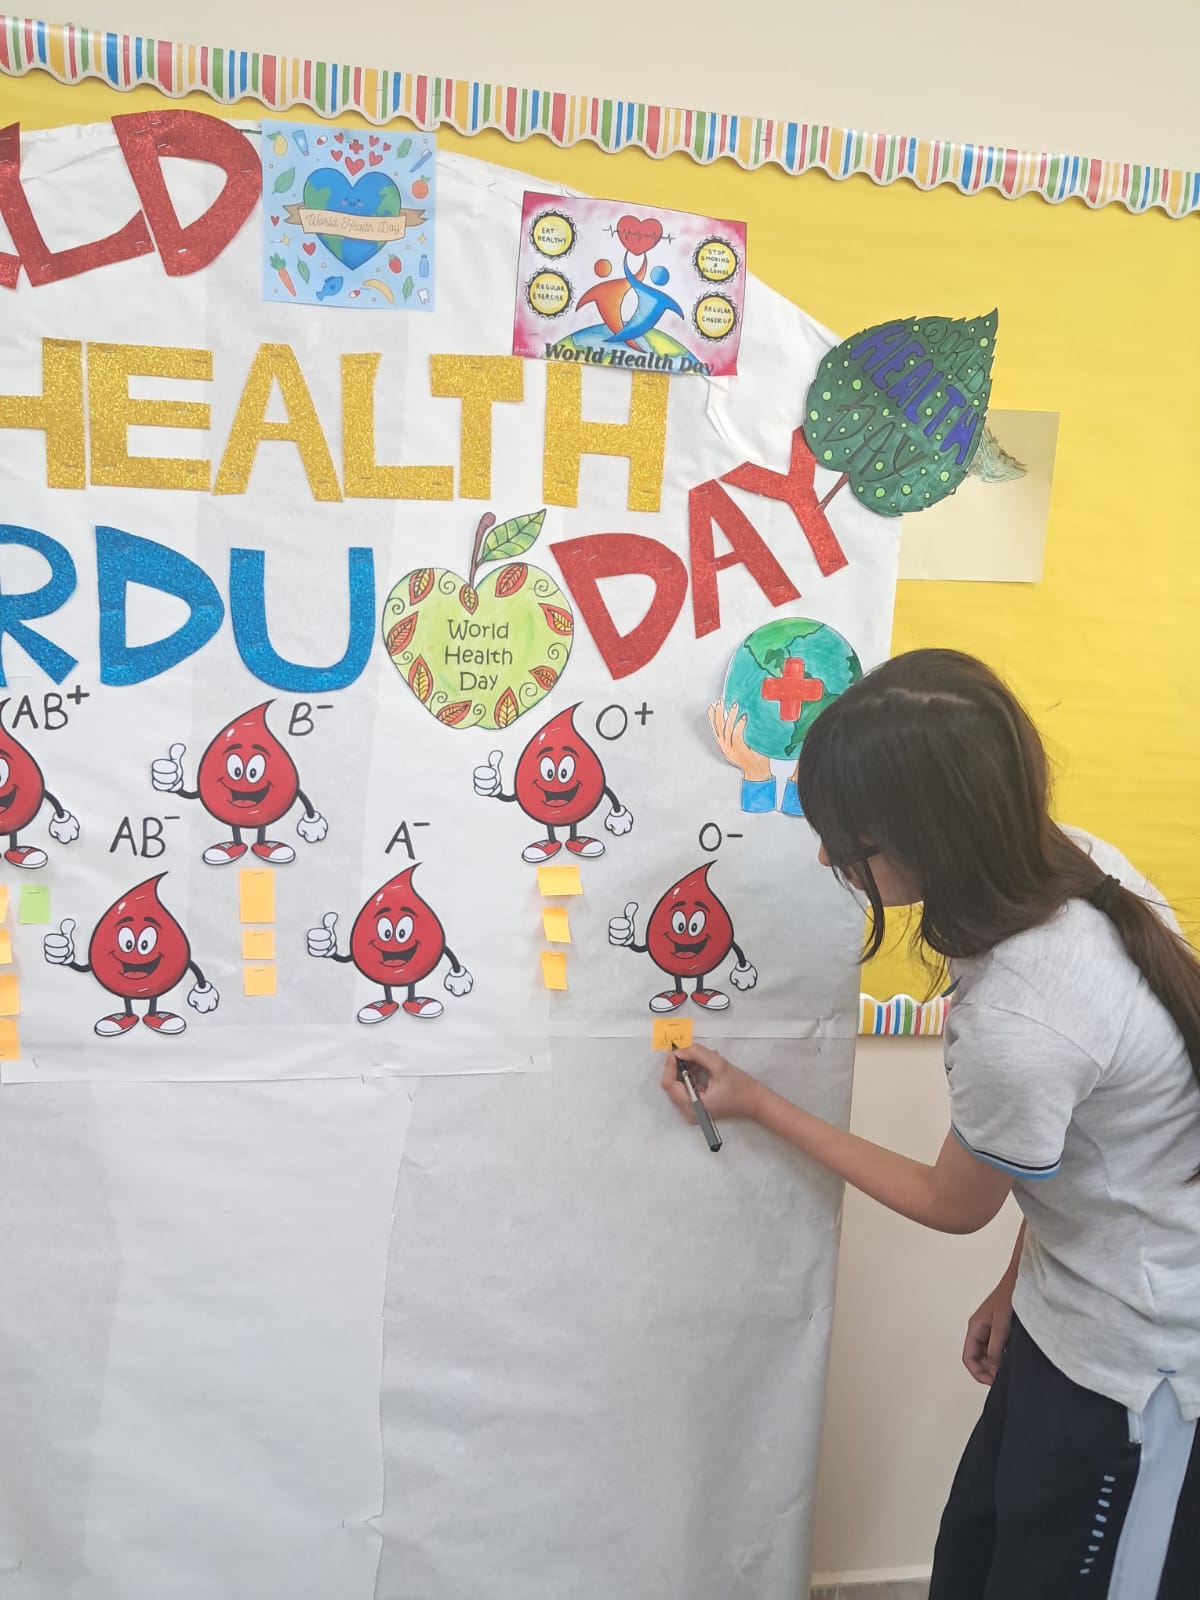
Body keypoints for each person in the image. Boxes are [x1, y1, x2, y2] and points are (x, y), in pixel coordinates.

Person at [665, 649, 1200, 1599]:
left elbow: (953, 1203)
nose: (827, 859)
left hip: (1142, 1370)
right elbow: (1092, 1145)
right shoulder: (1069, 864)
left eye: (847, 843)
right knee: (974, 1563)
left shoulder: (1025, 1016)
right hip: (1064, 1316)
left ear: (931, 839)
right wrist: (1020, 1284)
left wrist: (757, 1101)